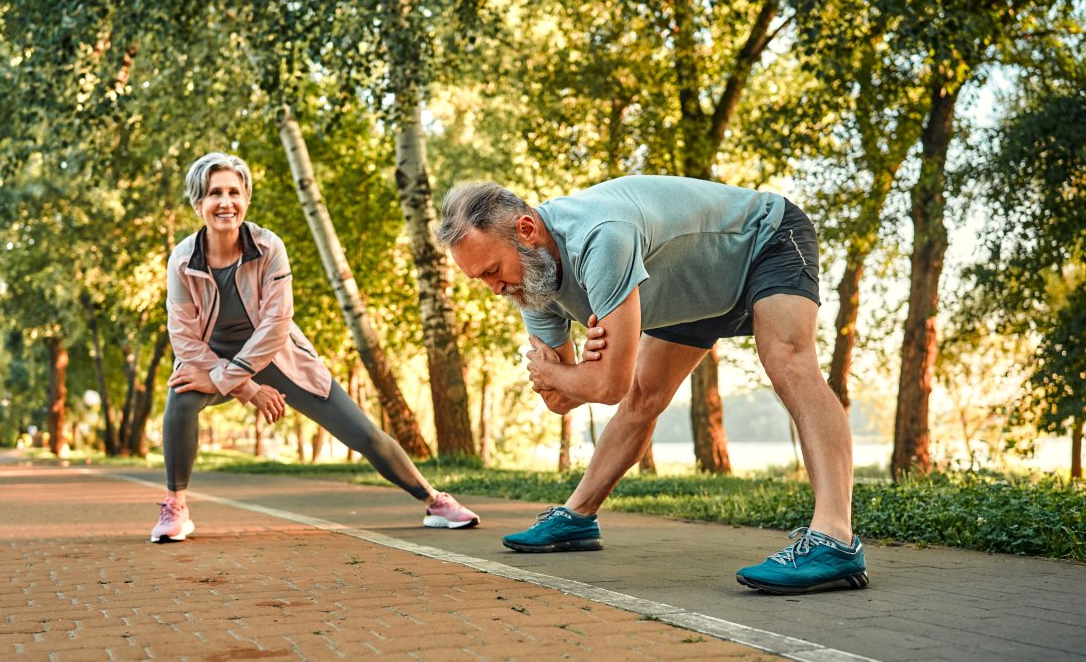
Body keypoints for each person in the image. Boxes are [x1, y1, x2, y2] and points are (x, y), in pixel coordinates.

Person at [436, 175, 867, 595]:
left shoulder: (600, 237)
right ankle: (577, 518)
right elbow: (561, 401)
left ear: (526, 230)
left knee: (788, 362)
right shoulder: (531, 285)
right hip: (692, 290)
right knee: (646, 396)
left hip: (763, 242)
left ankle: (835, 539)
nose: (495, 289)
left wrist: (560, 374)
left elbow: (605, 386)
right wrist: (569, 379)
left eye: (493, 270)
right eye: (482, 279)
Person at [152, 152, 479, 543]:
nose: (226, 202)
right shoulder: (182, 260)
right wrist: (247, 387)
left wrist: (238, 378)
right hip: (208, 360)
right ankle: (175, 507)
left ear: (246, 199)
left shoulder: (268, 247)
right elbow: (184, 339)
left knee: (363, 432)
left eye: (234, 192)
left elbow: (275, 327)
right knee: (181, 395)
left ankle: (434, 500)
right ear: (198, 203)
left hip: (277, 356)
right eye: (214, 193)